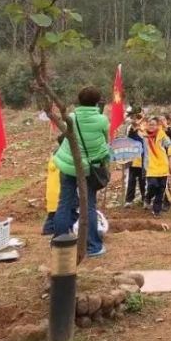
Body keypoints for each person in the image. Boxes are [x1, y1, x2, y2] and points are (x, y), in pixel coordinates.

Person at [51, 87, 111, 258]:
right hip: (87, 169)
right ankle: (92, 246)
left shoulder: (71, 118)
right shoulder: (102, 120)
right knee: (89, 205)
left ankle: (60, 244)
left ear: (78, 100)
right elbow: (104, 142)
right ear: (98, 102)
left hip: (69, 165)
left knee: (64, 203)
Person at [143, 116, 171, 217]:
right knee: (153, 185)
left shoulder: (162, 135)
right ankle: (148, 197)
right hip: (150, 167)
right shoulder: (143, 136)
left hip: (163, 166)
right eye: (149, 124)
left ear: (157, 125)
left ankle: (156, 211)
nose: (151, 126)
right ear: (147, 125)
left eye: (153, 124)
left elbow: (170, 146)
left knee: (161, 190)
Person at [124, 113, 147, 207]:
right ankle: (129, 200)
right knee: (131, 180)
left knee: (143, 181)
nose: (139, 123)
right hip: (133, 159)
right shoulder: (131, 131)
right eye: (137, 121)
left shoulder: (146, 131)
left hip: (144, 160)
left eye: (140, 120)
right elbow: (129, 137)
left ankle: (145, 199)